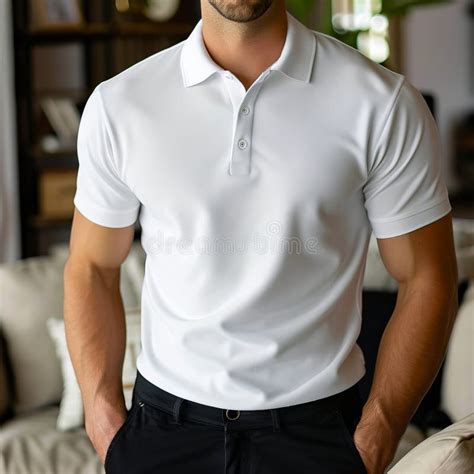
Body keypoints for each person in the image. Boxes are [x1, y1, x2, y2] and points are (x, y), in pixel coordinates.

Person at [64, 1, 459, 473]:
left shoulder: (383, 102)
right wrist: (102, 419)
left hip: (318, 437)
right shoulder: (121, 103)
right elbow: (90, 267)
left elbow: (428, 278)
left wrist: (378, 431)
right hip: (162, 435)